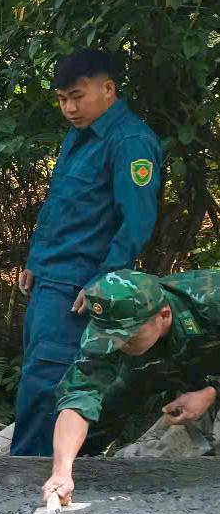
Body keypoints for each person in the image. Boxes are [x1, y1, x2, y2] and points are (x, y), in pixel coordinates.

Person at [12, 49, 162, 456]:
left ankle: (28, 477)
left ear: (108, 88)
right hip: (49, 279)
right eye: (62, 99)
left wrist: (104, 281)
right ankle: (33, 474)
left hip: (79, 286)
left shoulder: (130, 141)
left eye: (77, 96)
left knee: (49, 384)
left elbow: (136, 222)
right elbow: (61, 204)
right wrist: (35, 260)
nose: (69, 108)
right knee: (38, 378)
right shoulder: (80, 135)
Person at [42, 269, 220, 503]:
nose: (119, 345)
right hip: (154, 365)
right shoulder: (111, 329)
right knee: (104, 405)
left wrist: (211, 393)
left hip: (210, 364)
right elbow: (79, 396)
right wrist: (62, 470)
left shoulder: (211, 300)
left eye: (128, 336)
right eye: (110, 338)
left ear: (164, 315)